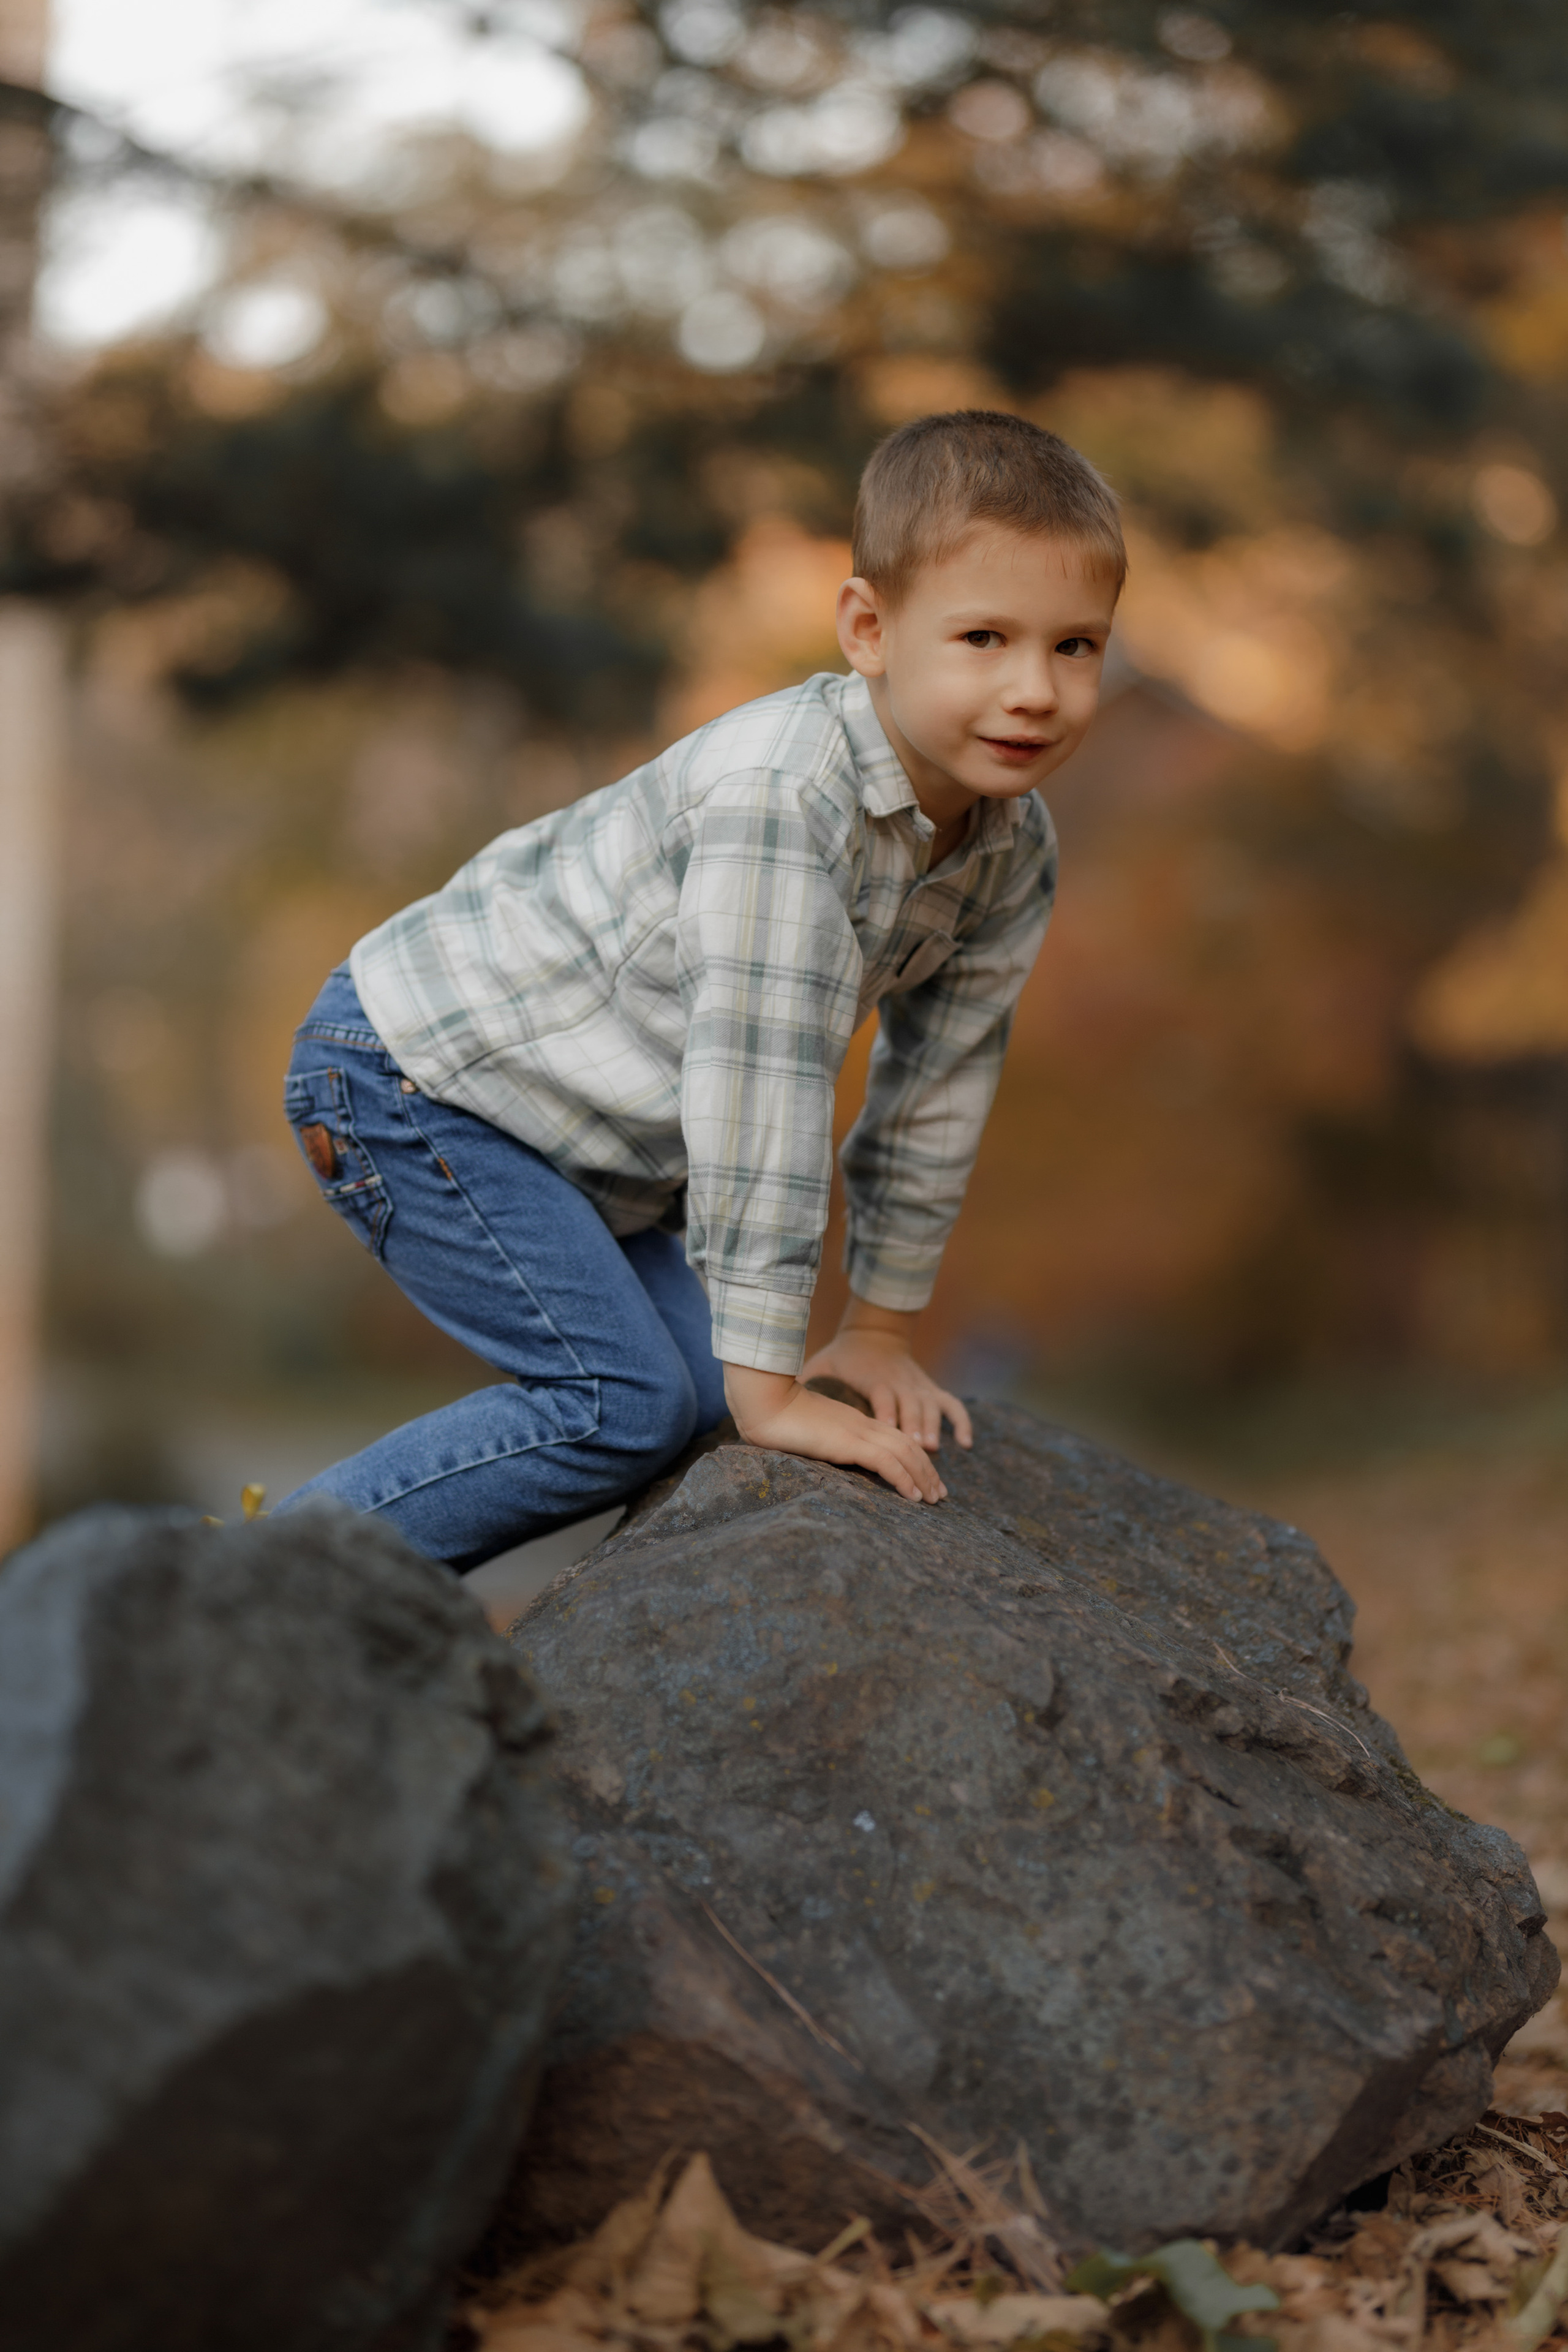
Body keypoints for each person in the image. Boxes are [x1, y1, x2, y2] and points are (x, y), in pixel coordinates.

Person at [274, 409, 1124, 1567]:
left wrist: (876, 1333)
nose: (1035, 688)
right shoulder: (784, 799)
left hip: (578, 1141)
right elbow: (758, 1098)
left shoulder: (1012, 851)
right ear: (870, 630)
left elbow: (937, 1088)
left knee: (715, 1412)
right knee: (620, 1405)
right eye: (984, 638)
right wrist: (776, 1385)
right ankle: (246, 1591)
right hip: (418, 1082)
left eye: (1075, 646)